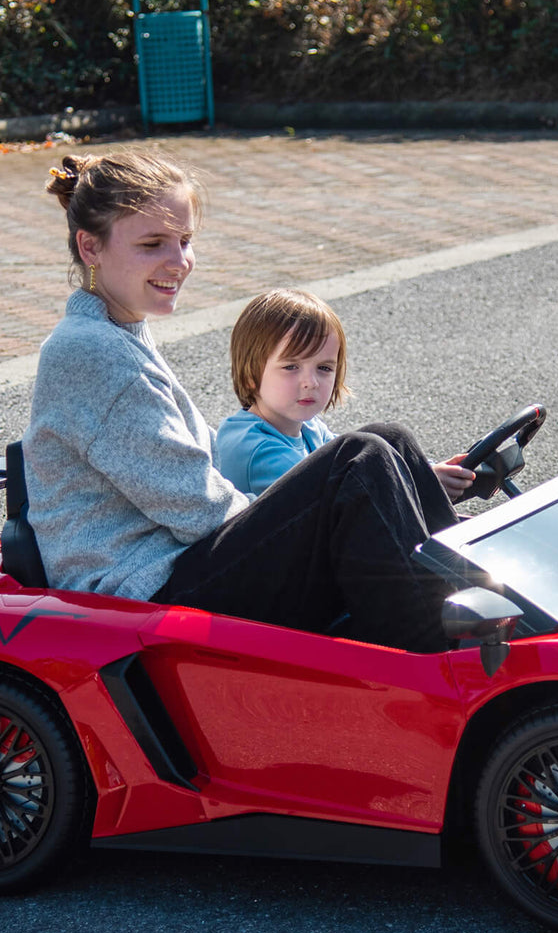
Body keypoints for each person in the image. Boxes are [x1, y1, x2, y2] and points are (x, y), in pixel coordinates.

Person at [24, 150, 475, 653]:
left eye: (185, 241)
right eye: (153, 244)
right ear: (91, 247)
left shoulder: (115, 331)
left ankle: (469, 596)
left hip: (175, 563)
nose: (178, 262)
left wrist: (394, 495)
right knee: (359, 462)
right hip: (144, 593)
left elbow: (188, 472)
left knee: (388, 442)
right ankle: (439, 653)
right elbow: (196, 507)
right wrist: (315, 517)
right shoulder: (92, 352)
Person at [215, 288, 346, 496]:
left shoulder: (309, 428)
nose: (311, 383)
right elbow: (335, 499)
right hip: (276, 528)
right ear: (251, 375)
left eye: (324, 368)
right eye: (291, 367)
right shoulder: (257, 449)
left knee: (389, 440)